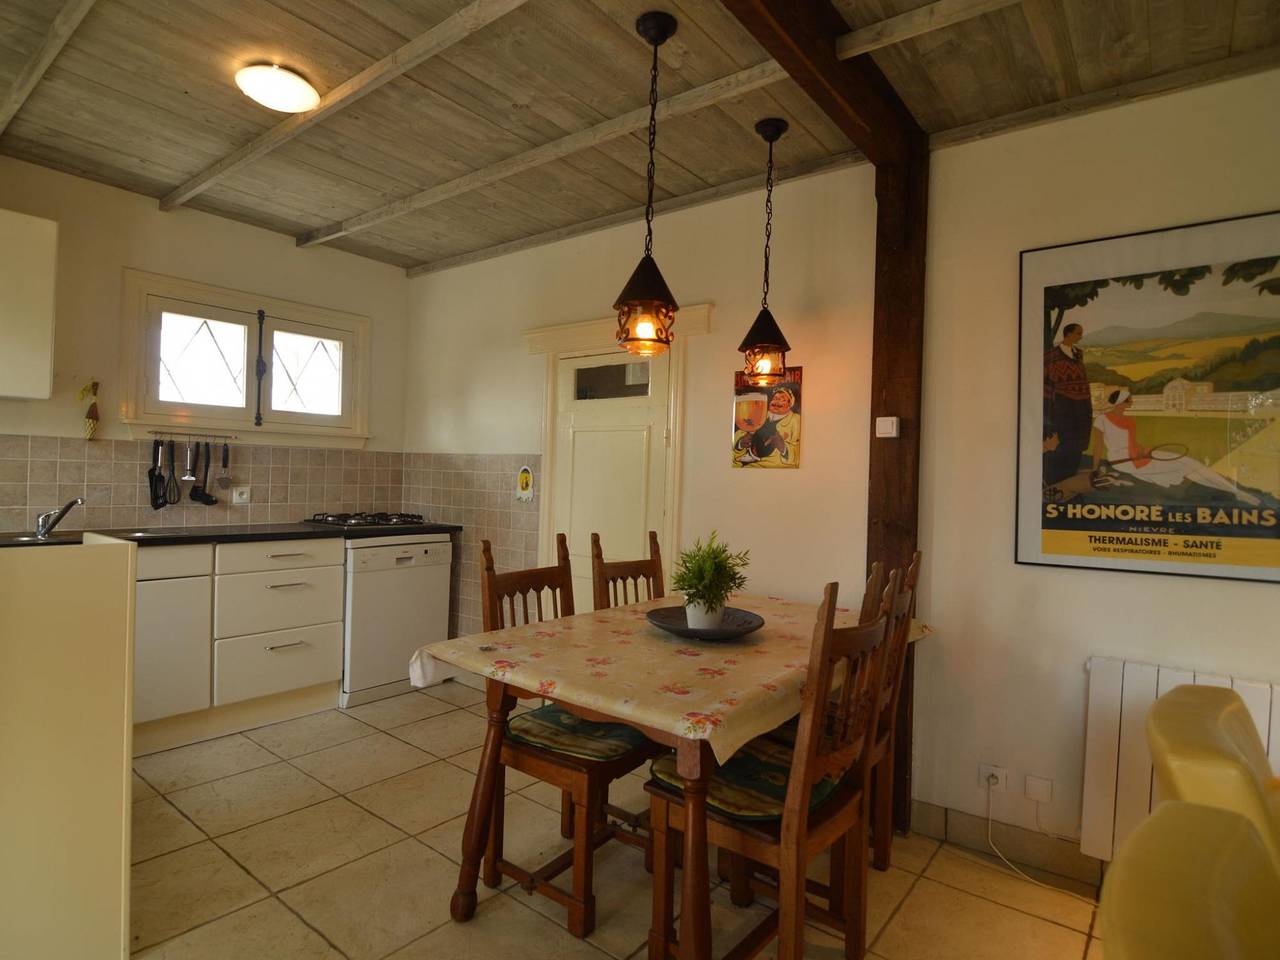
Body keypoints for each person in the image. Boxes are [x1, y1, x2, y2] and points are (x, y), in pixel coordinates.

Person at [1091, 388, 1260, 506]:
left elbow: (1132, 443)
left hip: (1137, 456)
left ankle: (1234, 491)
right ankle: (1236, 492)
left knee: (1188, 462)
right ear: (1122, 402)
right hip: (1124, 462)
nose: (1132, 401)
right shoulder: (1102, 419)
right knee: (1187, 465)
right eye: (1129, 400)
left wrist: (1146, 450)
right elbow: (1098, 446)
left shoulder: (1130, 421)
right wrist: (1095, 468)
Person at [1043, 322, 1092, 485]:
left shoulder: (1079, 354)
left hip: (1082, 403)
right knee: (1064, 442)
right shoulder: (1050, 356)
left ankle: (1070, 478)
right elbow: (1045, 385)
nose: (1080, 336)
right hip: (1063, 405)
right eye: (1078, 333)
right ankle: (1056, 480)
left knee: (1079, 441)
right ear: (1068, 334)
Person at [733, 385, 800, 466]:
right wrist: (740, 444)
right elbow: (741, 432)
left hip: (770, 467)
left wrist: (783, 448)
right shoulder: (761, 413)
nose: (777, 402)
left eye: (782, 399)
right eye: (775, 398)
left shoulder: (795, 420)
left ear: (790, 404)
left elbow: (798, 455)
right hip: (742, 463)